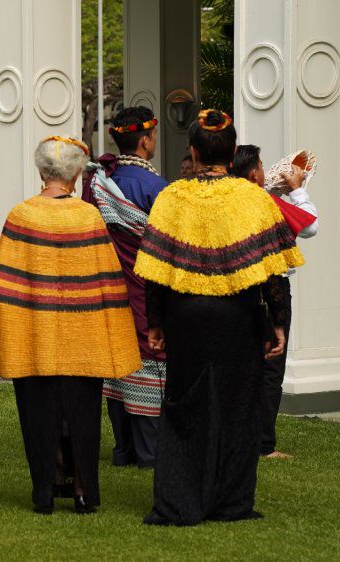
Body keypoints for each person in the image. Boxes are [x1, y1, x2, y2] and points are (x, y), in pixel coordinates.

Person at [135, 109, 304, 526]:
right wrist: (277, 323)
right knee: (238, 406)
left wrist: (154, 322)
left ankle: (178, 500)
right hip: (237, 317)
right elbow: (271, 271)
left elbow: (155, 270)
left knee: (182, 404)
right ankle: (230, 502)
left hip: (184, 316)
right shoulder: (253, 198)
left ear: (193, 150)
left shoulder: (172, 197)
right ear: (231, 152)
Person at [0, 135, 141, 515]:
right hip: (85, 337)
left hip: (33, 336)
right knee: (83, 414)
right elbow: (108, 284)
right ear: (77, 171)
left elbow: (7, 284)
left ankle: (44, 491)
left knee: (38, 412)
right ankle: (83, 491)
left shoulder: (22, 214)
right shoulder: (88, 215)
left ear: (40, 171)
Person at [82, 106, 168, 470]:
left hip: (107, 289)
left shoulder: (97, 183)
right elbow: (167, 248)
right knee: (149, 361)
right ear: (146, 141)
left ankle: (124, 449)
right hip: (145, 288)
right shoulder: (156, 188)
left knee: (117, 362)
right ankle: (150, 451)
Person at [230, 144, 319, 460]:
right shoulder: (262, 201)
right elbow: (309, 225)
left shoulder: (227, 200)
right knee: (270, 366)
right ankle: (263, 444)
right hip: (268, 292)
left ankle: (235, 435)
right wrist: (296, 191)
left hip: (230, 291)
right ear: (254, 173)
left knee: (239, 366)